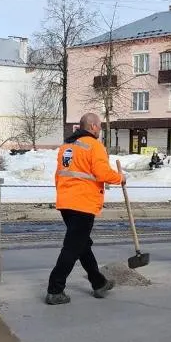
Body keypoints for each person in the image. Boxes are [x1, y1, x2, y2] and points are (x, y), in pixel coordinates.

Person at [46, 112, 126, 305]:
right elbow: (102, 173)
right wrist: (120, 178)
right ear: (92, 127)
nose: (99, 129)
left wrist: (65, 195)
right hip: (83, 204)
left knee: (82, 245)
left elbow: (59, 175)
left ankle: (98, 283)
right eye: (98, 126)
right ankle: (55, 290)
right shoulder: (94, 146)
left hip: (66, 203)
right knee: (73, 247)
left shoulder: (67, 147)